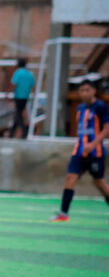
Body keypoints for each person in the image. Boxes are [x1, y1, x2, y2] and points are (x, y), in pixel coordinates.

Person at [51, 79, 109, 221]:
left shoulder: (100, 107)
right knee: (70, 178)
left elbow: (107, 128)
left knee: (99, 183)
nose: (83, 93)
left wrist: (94, 144)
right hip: (79, 151)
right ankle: (63, 214)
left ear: (93, 91)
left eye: (86, 90)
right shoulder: (80, 108)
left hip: (96, 152)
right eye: (81, 91)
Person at [5, 58, 36, 139]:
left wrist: (8, 93)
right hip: (25, 97)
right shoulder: (29, 74)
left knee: (18, 114)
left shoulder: (18, 73)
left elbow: (13, 84)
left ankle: (24, 131)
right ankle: (11, 133)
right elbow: (33, 86)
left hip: (18, 96)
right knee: (18, 114)